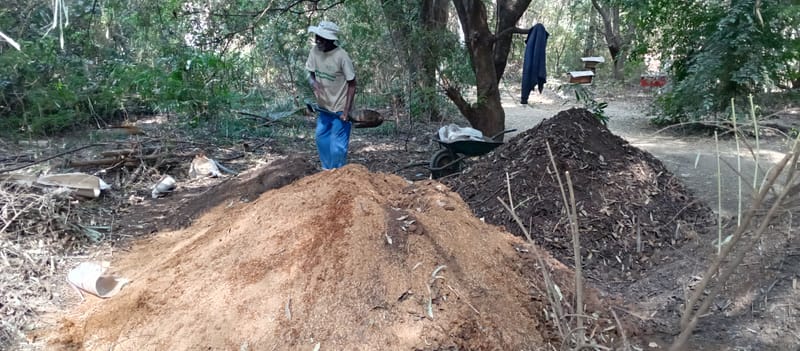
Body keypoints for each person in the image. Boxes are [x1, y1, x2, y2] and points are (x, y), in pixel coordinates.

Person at [305, 21, 357, 170]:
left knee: (337, 146)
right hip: (324, 107)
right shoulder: (314, 51)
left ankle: (338, 174)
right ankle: (327, 173)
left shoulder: (342, 56)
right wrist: (313, 82)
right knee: (321, 139)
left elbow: (352, 84)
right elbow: (310, 72)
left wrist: (346, 111)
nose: (318, 40)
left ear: (331, 40)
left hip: (340, 108)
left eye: (322, 38)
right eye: (317, 37)